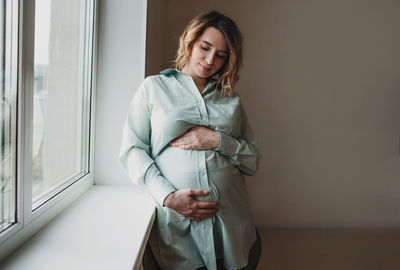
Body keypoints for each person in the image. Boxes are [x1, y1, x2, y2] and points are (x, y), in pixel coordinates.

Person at [120, 10, 261, 270]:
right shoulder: (153, 88)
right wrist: (168, 196)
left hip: (231, 228)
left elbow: (252, 161)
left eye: (221, 55)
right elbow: (133, 151)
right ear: (190, 41)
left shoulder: (230, 100)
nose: (210, 61)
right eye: (205, 47)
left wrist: (217, 140)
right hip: (179, 231)